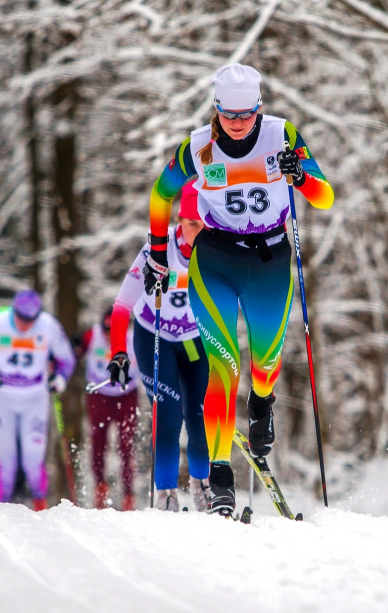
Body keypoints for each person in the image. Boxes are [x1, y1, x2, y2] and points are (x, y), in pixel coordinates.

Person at [143, 63, 334, 516]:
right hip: (216, 259)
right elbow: (160, 195)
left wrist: (301, 175)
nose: (237, 123)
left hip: (269, 260)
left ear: (259, 108)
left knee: (265, 363)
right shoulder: (197, 147)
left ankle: (263, 401)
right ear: (216, 109)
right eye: (229, 114)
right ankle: (222, 478)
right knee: (223, 367)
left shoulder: (283, 135)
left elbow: (325, 195)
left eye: (246, 114)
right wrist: (156, 250)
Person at [107, 179, 211, 512]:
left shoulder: (216, 248)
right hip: (154, 337)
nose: (199, 232)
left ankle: (203, 487)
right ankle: (165, 493)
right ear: (180, 220)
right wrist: (118, 352)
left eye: (205, 224)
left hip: (194, 341)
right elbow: (123, 304)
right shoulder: (158, 248)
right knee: (169, 413)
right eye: (192, 223)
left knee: (198, 412)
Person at [0, 290, 76, 511]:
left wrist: (60, 380)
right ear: (14, 311)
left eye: (31, 320)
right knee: (7, 463)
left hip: (34, 397)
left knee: (32, 460)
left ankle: (40, 506)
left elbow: (67, 360)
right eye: (22, 318)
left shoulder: (48, 326)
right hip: (1, 398)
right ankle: (1, 509)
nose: (26, 325)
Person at [80, 308, 139, 510]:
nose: (109, 335)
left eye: (113, 331)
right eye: (106, 330)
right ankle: (100, 487)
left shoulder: (132, 339)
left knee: (126, 443)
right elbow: (75, 352)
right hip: (99, 395)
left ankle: (129, 495)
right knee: (98, 440)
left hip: (127, 394)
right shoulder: (92, 335)